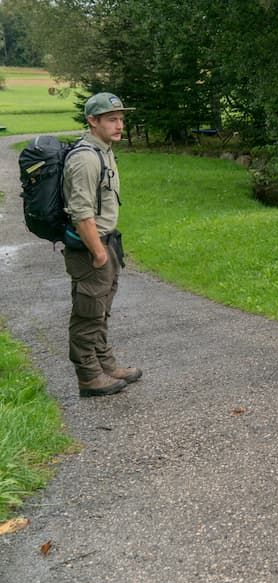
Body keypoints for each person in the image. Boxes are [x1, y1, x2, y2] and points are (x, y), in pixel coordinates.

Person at [63, 92, 141, 397]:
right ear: (92, 121)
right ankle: (88, 376)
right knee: (87, 313)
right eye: (111, 119)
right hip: (90, 248)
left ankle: (105, 365)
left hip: (107, 242)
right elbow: (81, 214)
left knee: (100, 310)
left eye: (121, 118)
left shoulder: (104, 149)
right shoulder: (84, 158)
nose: (119, 124)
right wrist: (97, 253)